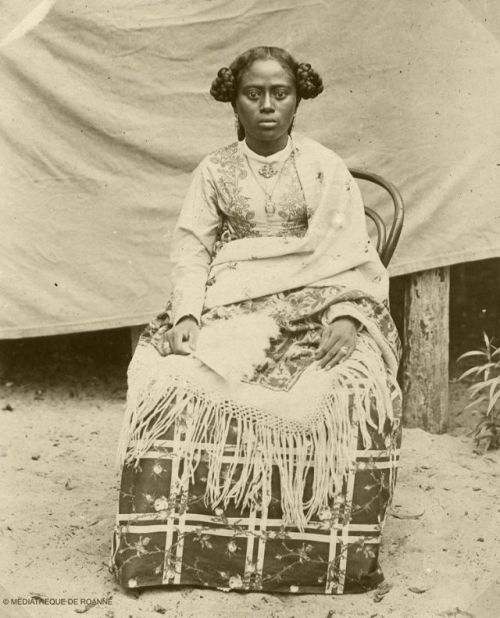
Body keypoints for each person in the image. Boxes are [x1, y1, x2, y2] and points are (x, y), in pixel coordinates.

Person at [111, 46, 402, 595]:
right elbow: (193, 249)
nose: (267, 105)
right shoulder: (215, 169)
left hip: (320, 299)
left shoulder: (323, 165)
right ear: (234, 102)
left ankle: (319, 557)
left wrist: (346, 315)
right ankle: (175, 555)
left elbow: (353, 253)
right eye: (254, 94)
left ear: (298, 100)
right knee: (169, 379)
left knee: (350, 388)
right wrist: (189, 315)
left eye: (280, 93)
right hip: (233, 300)